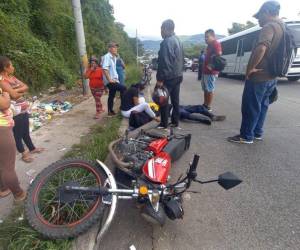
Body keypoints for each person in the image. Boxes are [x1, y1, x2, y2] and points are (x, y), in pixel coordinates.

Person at [228, 1, 283, 144]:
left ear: (267, 12)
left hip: (259, 75)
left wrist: (250, 68)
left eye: (259, 16)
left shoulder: (269, 27)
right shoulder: (282, 27)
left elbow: (261, 48)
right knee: (262, 105)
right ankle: (257, 132)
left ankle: (246, 136)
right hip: (272, 75)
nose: (258, 19)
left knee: (251, 106)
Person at [0, 56, 44, 163]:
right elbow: (14, 96)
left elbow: (26, 86)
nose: (13, 67)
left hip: (23, 109)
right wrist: (18, 90)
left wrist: (16, 89)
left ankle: (32, 148)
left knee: (25, 131)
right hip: (15, 111)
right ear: (6, 68)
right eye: (11, 65)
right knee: (17, 134)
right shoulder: (2, 81)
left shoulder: (12, 78)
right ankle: (24, 154)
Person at [156, 19, 184, 129]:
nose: (161, 32)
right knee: (175, 100)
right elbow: (181, 59)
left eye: (161, 30)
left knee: (163, 100)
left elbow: (165, 62)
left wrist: (160, 79)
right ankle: (175, 122)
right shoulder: (178, 40)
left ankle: (163, 124)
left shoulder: (167, 42)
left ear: (165, 29)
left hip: (169, 77)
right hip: (178, 75)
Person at [0, 84, 26, 201]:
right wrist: (5, 94)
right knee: (8, 166)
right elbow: (5, 103)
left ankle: (4, 188)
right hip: (2, 127)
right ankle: (18, 193)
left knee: (2, 163)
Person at [102, 42, 127, 117]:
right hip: (110, 81)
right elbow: (105, 69)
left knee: (112, 95)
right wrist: (109, 79)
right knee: (124, 88)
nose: (115, 48)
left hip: (114, 80)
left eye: (116, 47)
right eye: (113, 47)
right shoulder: (107, 57)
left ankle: (110, 111)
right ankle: (123, 107)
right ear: (109, 48)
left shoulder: (114, 57)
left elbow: (116, 68)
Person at [202, 29, 222, 112]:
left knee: (209, 89)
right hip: (205, 71)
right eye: (205, 37)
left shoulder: (216, 43)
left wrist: (211, 65)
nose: (205, 39)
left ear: (213, 36)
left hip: (210, 72)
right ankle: (205, 104)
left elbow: (219, 54)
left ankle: (208, 107)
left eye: (207, 37)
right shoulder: (209, 45)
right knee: (206, 89)